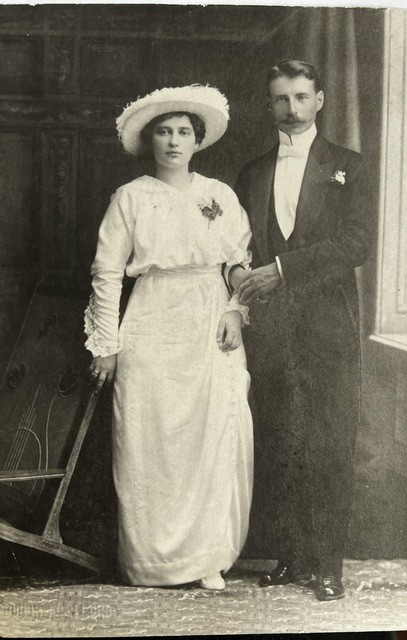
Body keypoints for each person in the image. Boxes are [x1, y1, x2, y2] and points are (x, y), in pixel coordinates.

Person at [84, 85, 253, 590]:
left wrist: (236, 310)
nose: (174, 141)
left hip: (208, 319)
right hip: (151, 319)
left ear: (197, 140)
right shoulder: (131, 197)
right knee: (149, 437)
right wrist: (106, 344)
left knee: (210, 434)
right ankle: (152, 562)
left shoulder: (219, 195)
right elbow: (107, 271)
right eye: (164, 131)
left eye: (183, 132)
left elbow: (239, 263)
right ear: (150, 140)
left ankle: (206, 558)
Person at [230, 60, 370, 601]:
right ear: (269, 104)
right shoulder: (252, 171)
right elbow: (237, 244)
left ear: (320, 100)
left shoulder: (349, 166)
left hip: (329, 324)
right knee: (281, 437)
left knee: (330, 440)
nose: (291, 109)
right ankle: (291, 555)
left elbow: (355, 244)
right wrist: (243, 275)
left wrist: (283, 270)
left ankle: (328, 564)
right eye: (281, 99)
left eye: (301, 97)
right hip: (271, 328)